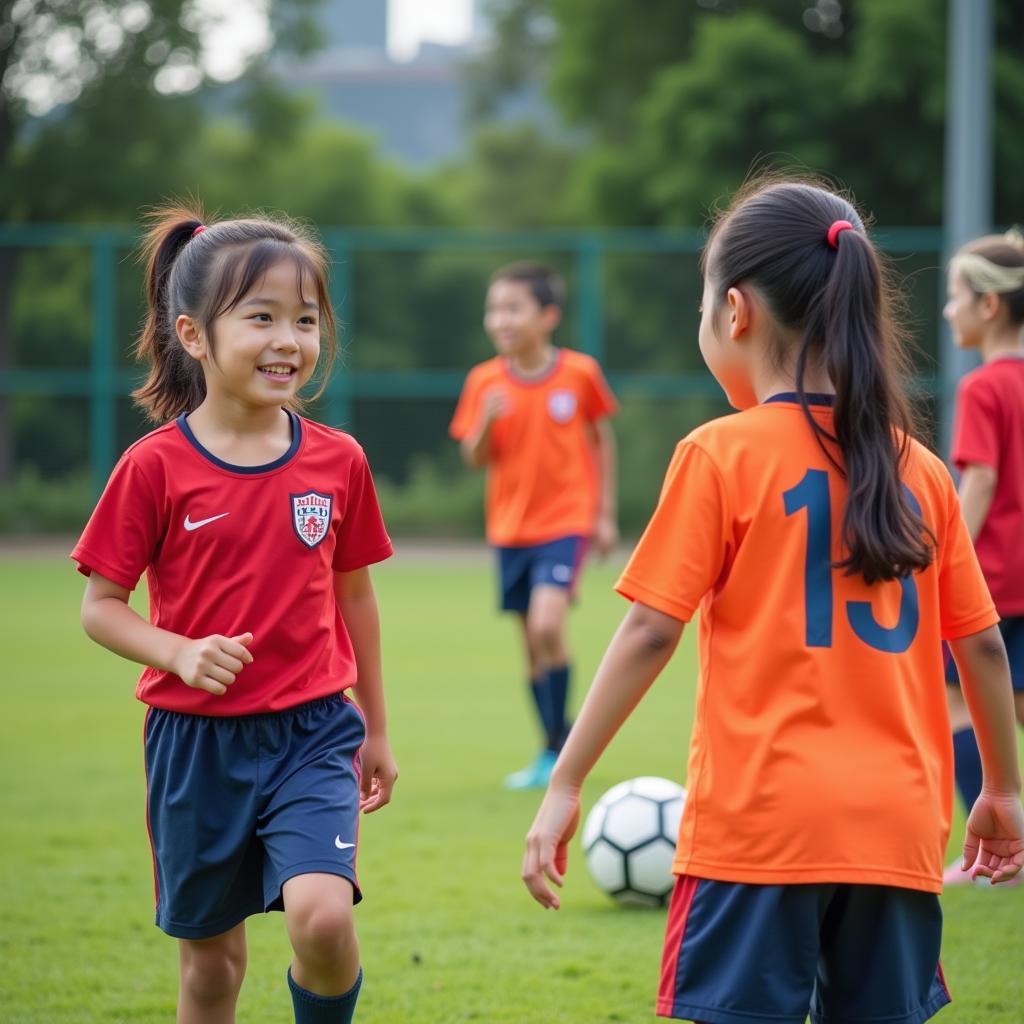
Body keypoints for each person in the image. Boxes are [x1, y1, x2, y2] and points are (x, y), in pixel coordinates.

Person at [522, 179, 1024, 1024]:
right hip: (897, 830)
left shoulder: (721, 454)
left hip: (760, 830)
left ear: (736, 311)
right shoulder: (922, 469)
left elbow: (650, 630)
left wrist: (566, 779)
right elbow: (978, 644)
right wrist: (1004, 792)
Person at [72, 204, 397, 1024]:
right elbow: (100, 607)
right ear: (192, 334)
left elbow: (355, 594)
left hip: (314, 730)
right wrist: (177, 651)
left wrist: (379, 731)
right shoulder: (153, 469)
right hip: (195, 747)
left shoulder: (338, 460)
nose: (288, 340)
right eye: (261, 318)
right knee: (212, 970)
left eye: (306, 319)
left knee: (322, 920)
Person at [449, 261, 618, 790]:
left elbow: (601, 440)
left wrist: (604, 515)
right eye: (494, 308)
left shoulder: (579, 374)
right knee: (530, 644)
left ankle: (563, 745)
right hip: (510, 529)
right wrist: (485, 425)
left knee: (549, 626)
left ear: (547, 316)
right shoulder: (484, 382)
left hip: (565, 522)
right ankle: (551, 749)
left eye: (513, 308)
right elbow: (473, 457)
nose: (501, 319)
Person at [941, 230, 1024, 886]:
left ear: (989, 308)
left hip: (995, 579)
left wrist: (945, 558)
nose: (948, 311)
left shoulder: (983, 389)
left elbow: (982, 480)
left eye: (955, 297)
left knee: (960, 704)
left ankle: (991, 852)